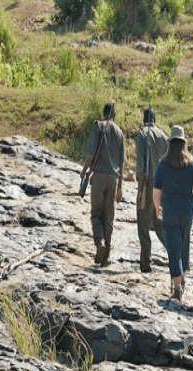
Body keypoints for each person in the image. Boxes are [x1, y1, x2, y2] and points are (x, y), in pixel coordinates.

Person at [153, 126, 193, 300]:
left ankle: (177, 286)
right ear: (183, 143)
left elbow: (156, 190)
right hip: (187, 211)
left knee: (173, 249)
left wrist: (157, 206)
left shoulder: (163, 163)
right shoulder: (191, 162)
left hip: (170, 211)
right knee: (183, 247)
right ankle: (182, 278)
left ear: (170, 143)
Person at [80, 102, 125, 267]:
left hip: (98, 177)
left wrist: (84, 171)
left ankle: (99, 245)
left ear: (104, 112)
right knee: (109, 216)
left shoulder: (98, 126)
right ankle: (106, 256)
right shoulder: (120, 132)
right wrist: (120, 186)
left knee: (96, 214)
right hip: (113, 179)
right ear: (114, 115)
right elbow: (122, 162)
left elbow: (91, 154)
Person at [136, 107, 169, 273]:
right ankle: (174, 254)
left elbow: (141, 167)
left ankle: (145, 262)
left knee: (143, 224)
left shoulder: (142, 134)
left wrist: (140, 191)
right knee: (159, 224)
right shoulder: (164, 135)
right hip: (162, 186)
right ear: (155, 119)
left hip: (148, 183)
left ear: (144, 119)